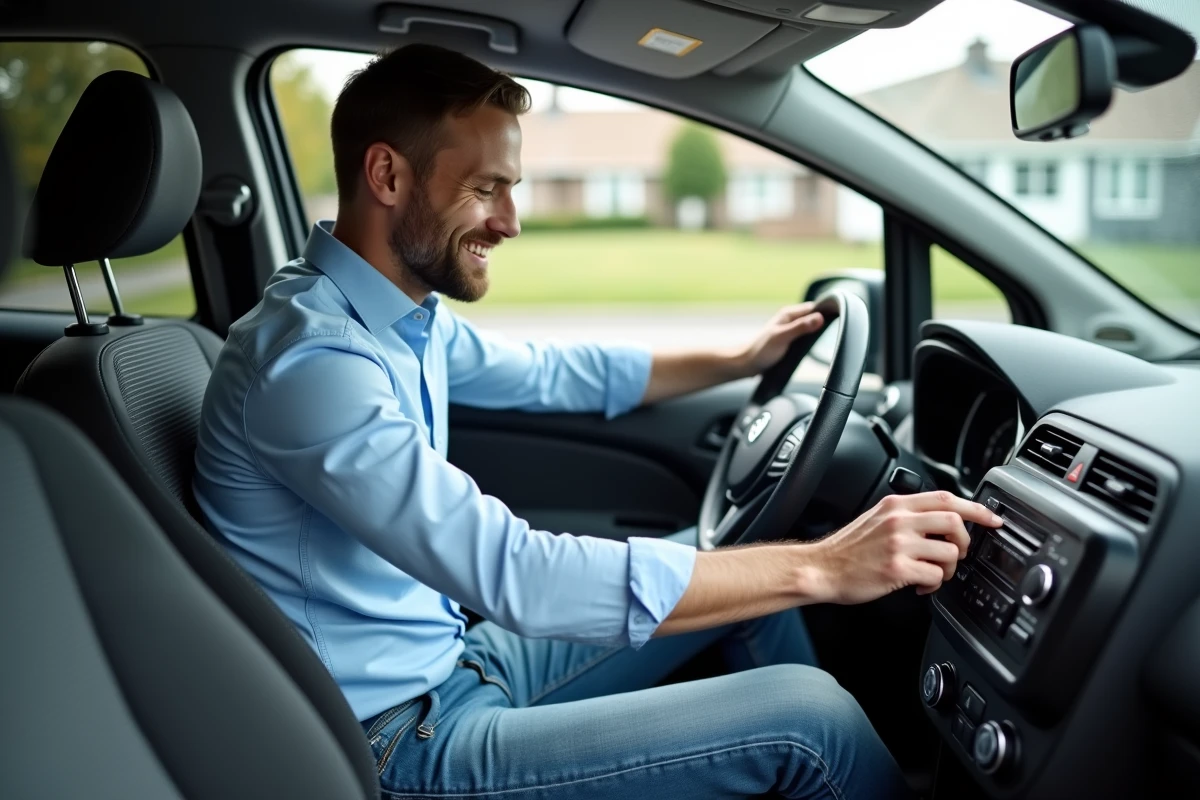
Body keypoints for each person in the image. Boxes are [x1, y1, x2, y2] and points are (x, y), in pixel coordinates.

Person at [193, 43, 1001, 799]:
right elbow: (516, 573)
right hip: (397, 743)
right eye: (485, 188)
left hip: (456, 665)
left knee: (737, 565)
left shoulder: (394, 315)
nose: (509, 222)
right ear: (388, 176)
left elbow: (551, 372)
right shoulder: (310, 365)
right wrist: (826, 565)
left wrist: (738, 359)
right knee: (811, 720)